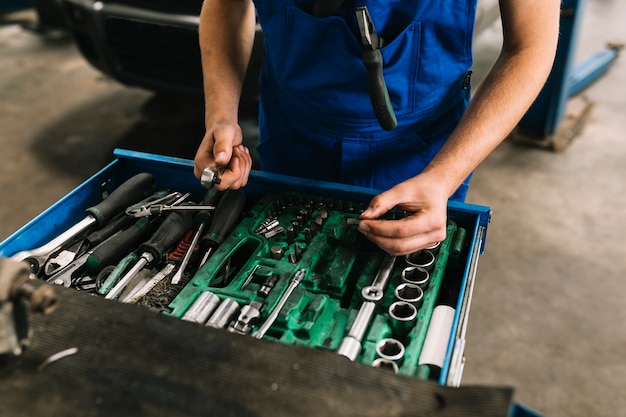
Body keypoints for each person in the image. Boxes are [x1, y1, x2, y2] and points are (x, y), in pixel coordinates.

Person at [193, 0, 560, 256]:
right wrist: (221, 115)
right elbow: (228, 3)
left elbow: (530, 45)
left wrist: (442, 178)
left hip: (420, 158)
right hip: (293, 135)